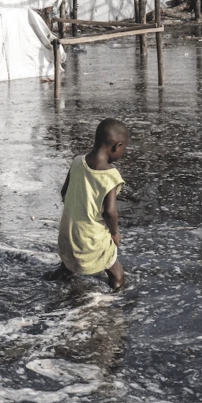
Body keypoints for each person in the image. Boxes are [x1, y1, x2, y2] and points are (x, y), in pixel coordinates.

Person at [45, 118, 129, 291]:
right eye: (123, 149)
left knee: (67, 265)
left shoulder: (77, 161)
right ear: (116, 147)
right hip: (90, 242)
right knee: (117, 274)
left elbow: (64, 192)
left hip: (67, 237)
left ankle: (55, 278)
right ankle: (113, 303)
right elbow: (110, 212)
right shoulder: (110, 176)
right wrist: (115, 233)